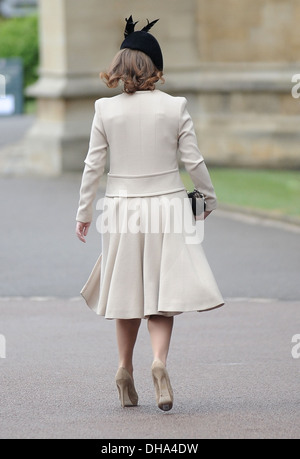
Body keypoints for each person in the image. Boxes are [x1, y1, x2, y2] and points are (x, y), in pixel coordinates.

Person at [76, 16, 224, 412]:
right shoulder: (175, 107)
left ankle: (124, 369)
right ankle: (158, 363)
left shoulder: (104, 110)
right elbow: (194, 161)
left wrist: (84, 213)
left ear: (121, 65)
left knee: (126, 293)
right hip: (169, 207)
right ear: (155, 68)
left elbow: (93, 166)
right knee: (162, 295)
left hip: (121, 208)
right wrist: (206, 200)